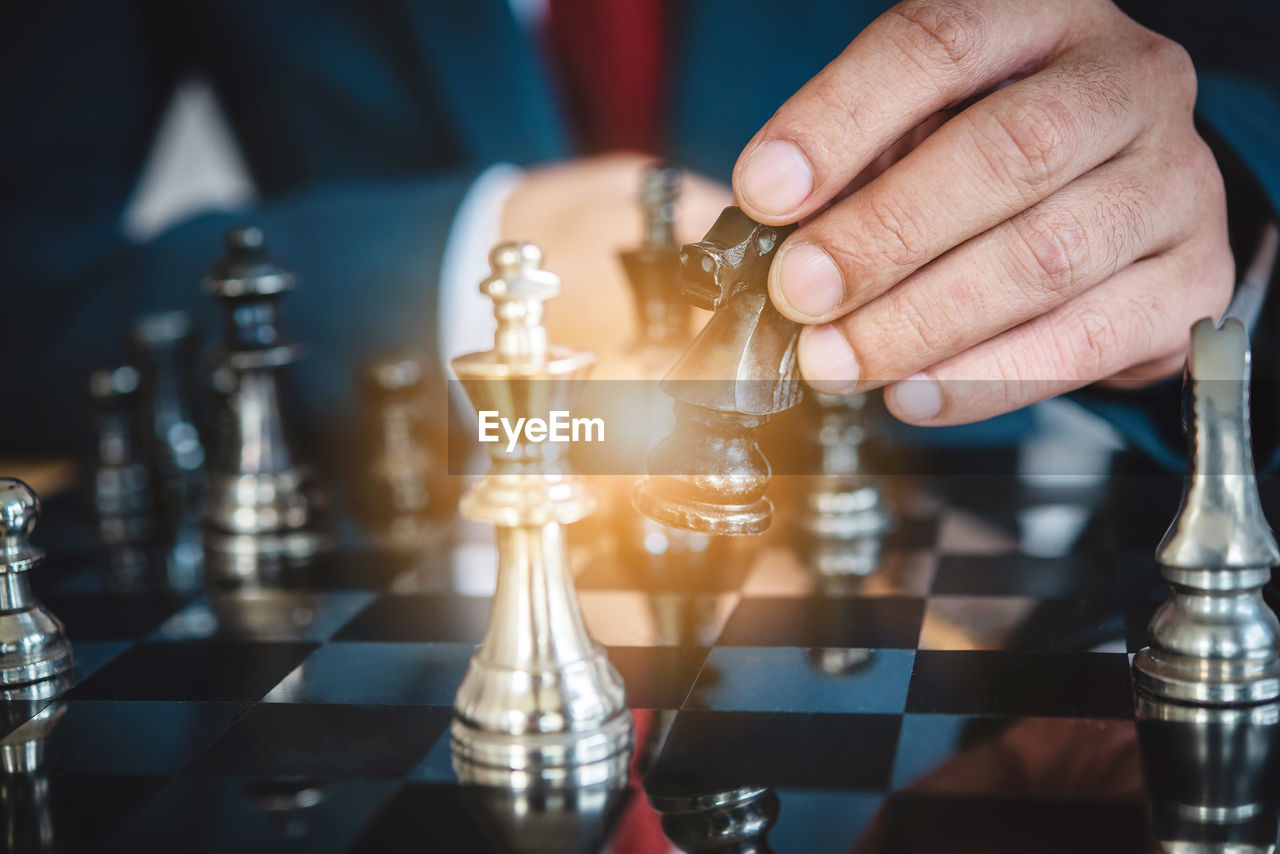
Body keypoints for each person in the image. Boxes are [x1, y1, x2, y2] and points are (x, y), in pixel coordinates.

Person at [4, 0, 1278, 466]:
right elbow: (24, 288)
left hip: (1003, 560)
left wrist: (1204, 207)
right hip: (402, 562)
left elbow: (1200, 79)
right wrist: (465, 255)